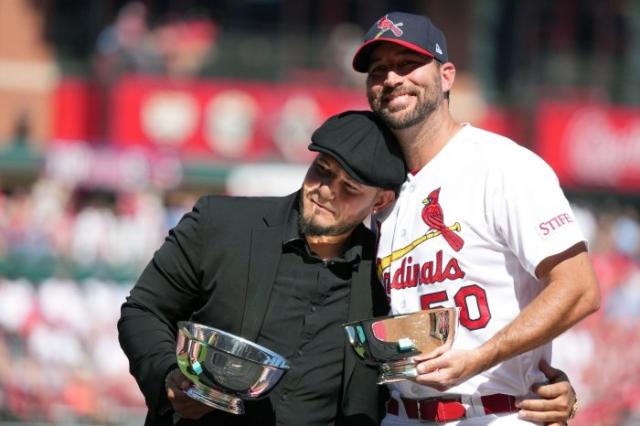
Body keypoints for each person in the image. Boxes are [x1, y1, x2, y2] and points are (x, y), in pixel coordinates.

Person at [351, 12, 600, 425]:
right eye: (378, 70)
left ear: (446, 76)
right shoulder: (380, 190)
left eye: (408, 64)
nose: (392, 78)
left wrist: (479, 359)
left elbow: (579, 288)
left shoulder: (502, 165)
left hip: (493, 411)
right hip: (397, 413)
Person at [118, 110, 406, 426]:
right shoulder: (220, 224)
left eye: (349, 187)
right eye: (321, 170)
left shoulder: (387, 274)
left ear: (380, 202)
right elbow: (143, 310)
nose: (326, 190)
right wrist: (168, 376)